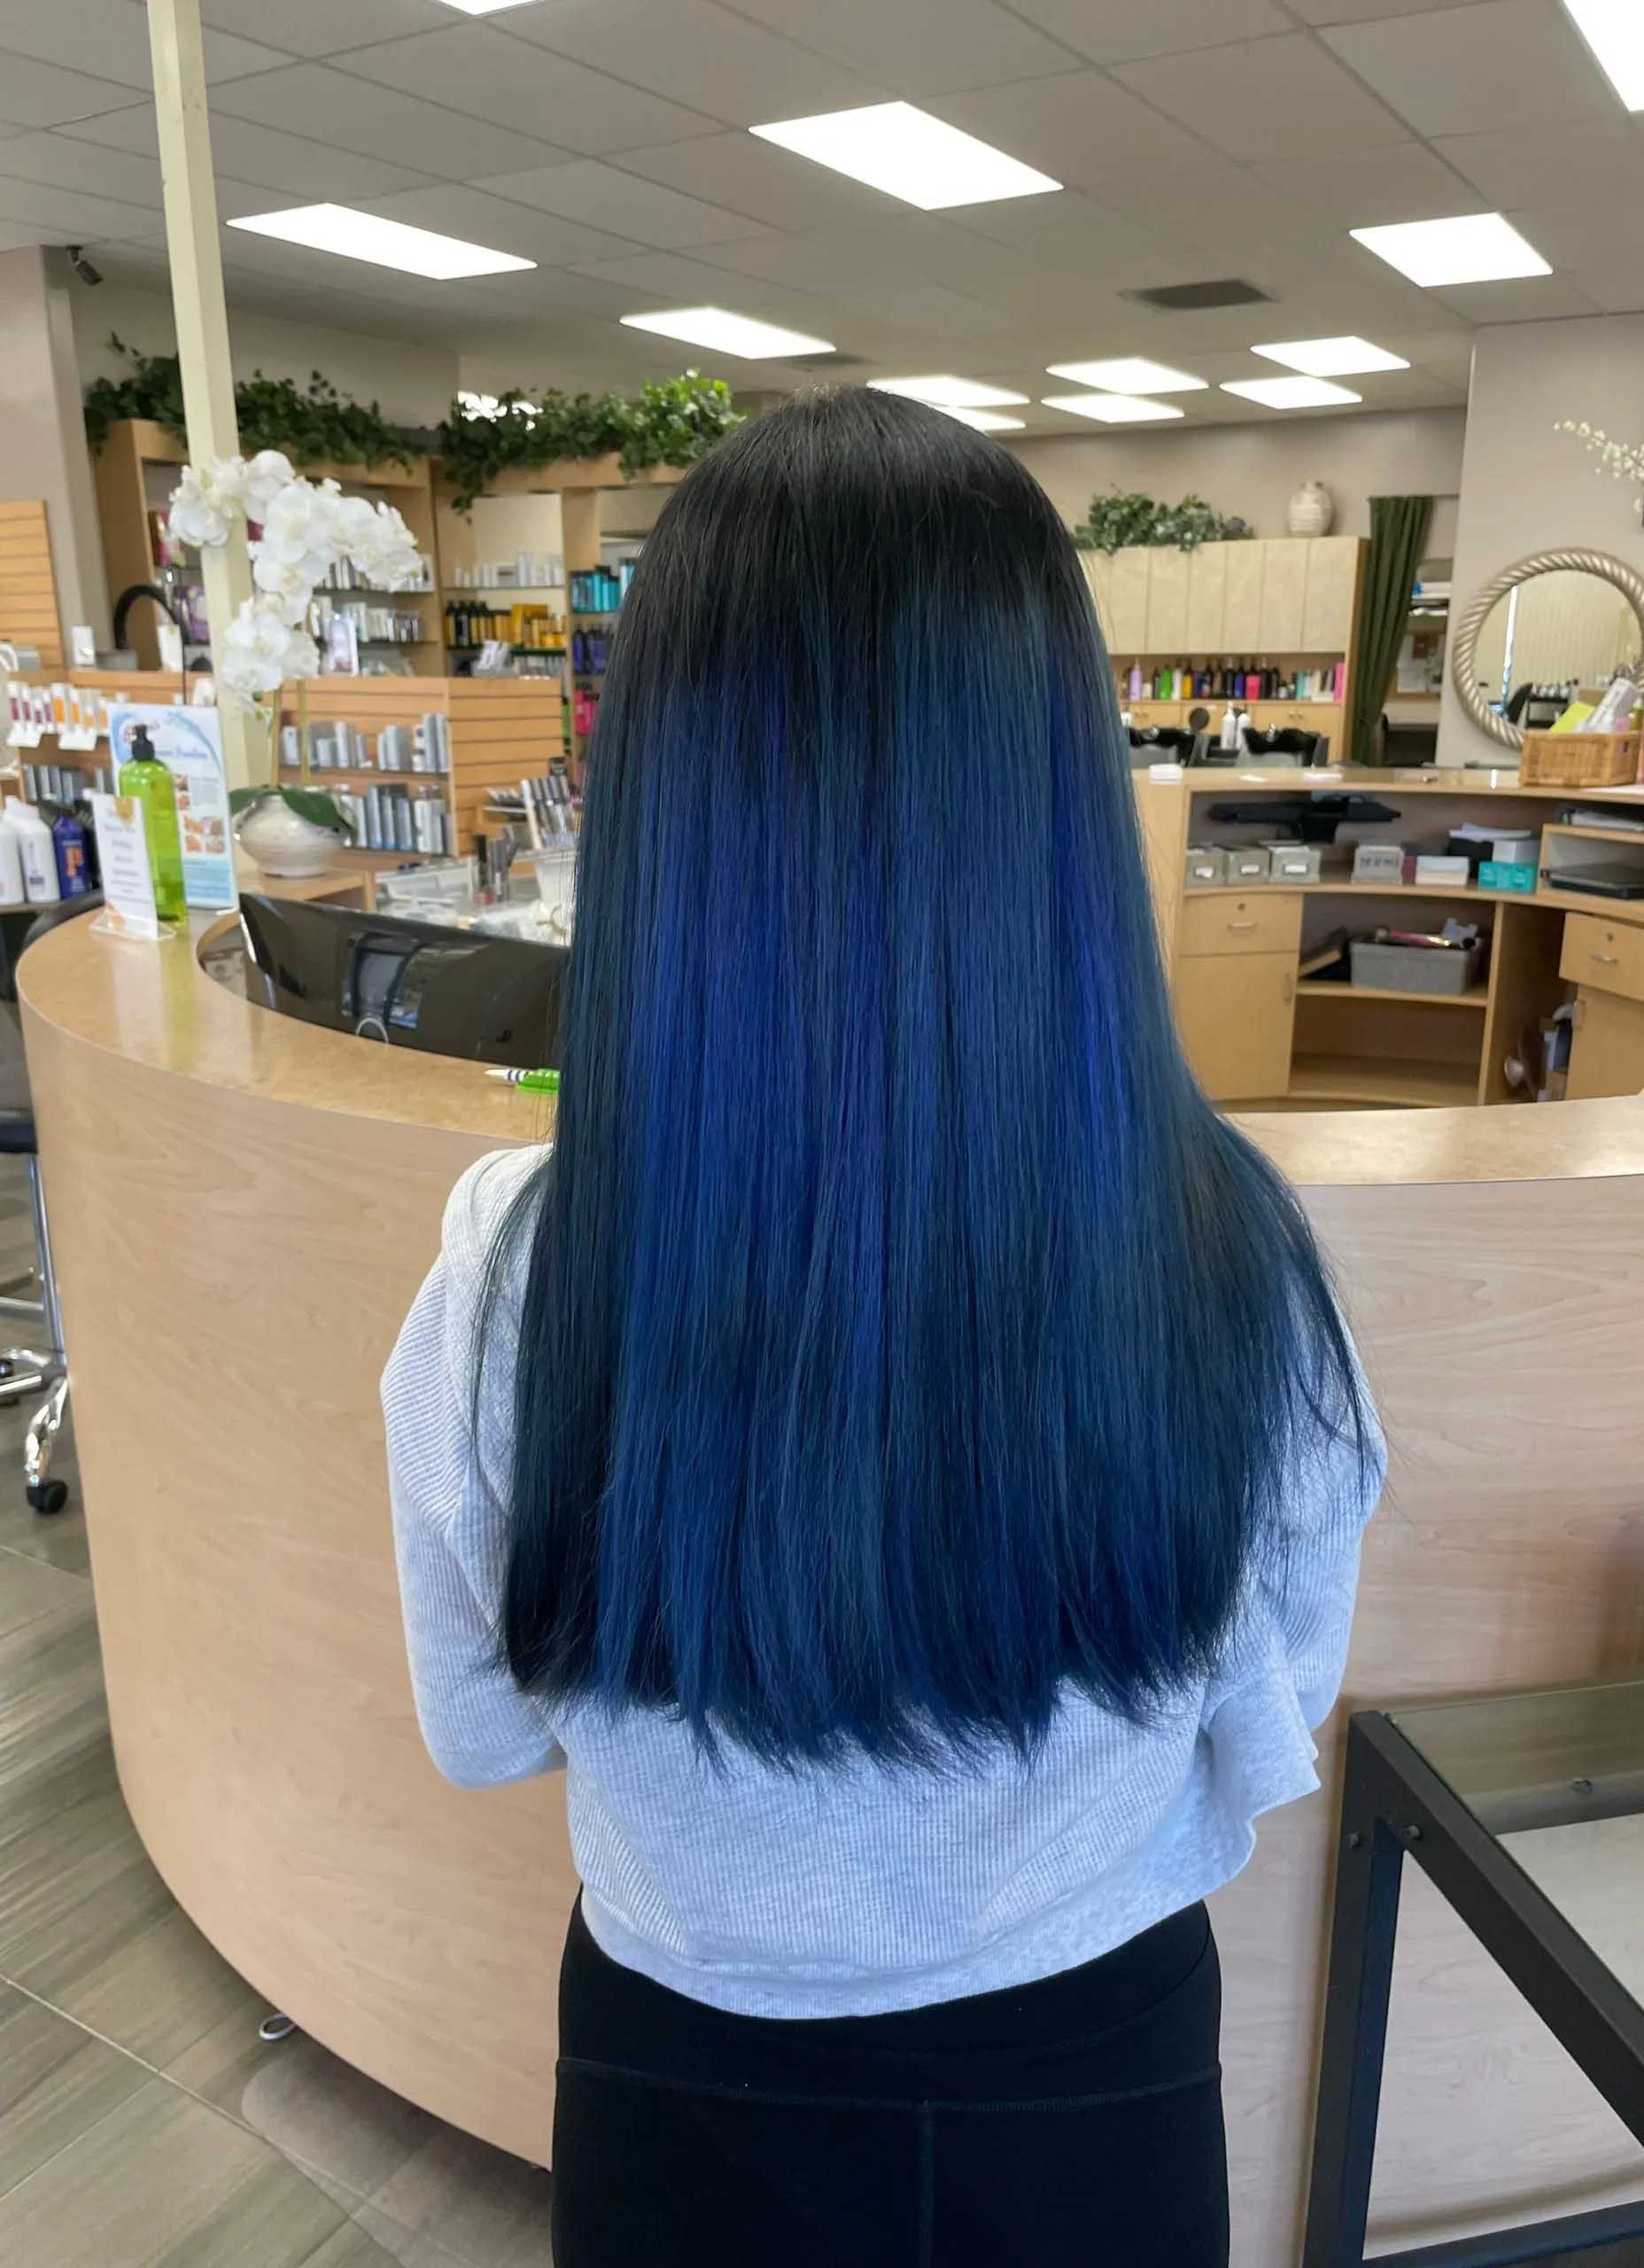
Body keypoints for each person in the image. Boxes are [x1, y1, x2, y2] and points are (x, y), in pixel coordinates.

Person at [383, 386, 1384, 2268]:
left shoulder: (513, 1268)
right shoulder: (1240, 1264)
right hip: (1095, 2069)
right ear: (1062, 782)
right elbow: (1267, 1713)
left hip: (682, 2066)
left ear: (661, 787)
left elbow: (480, 1731)